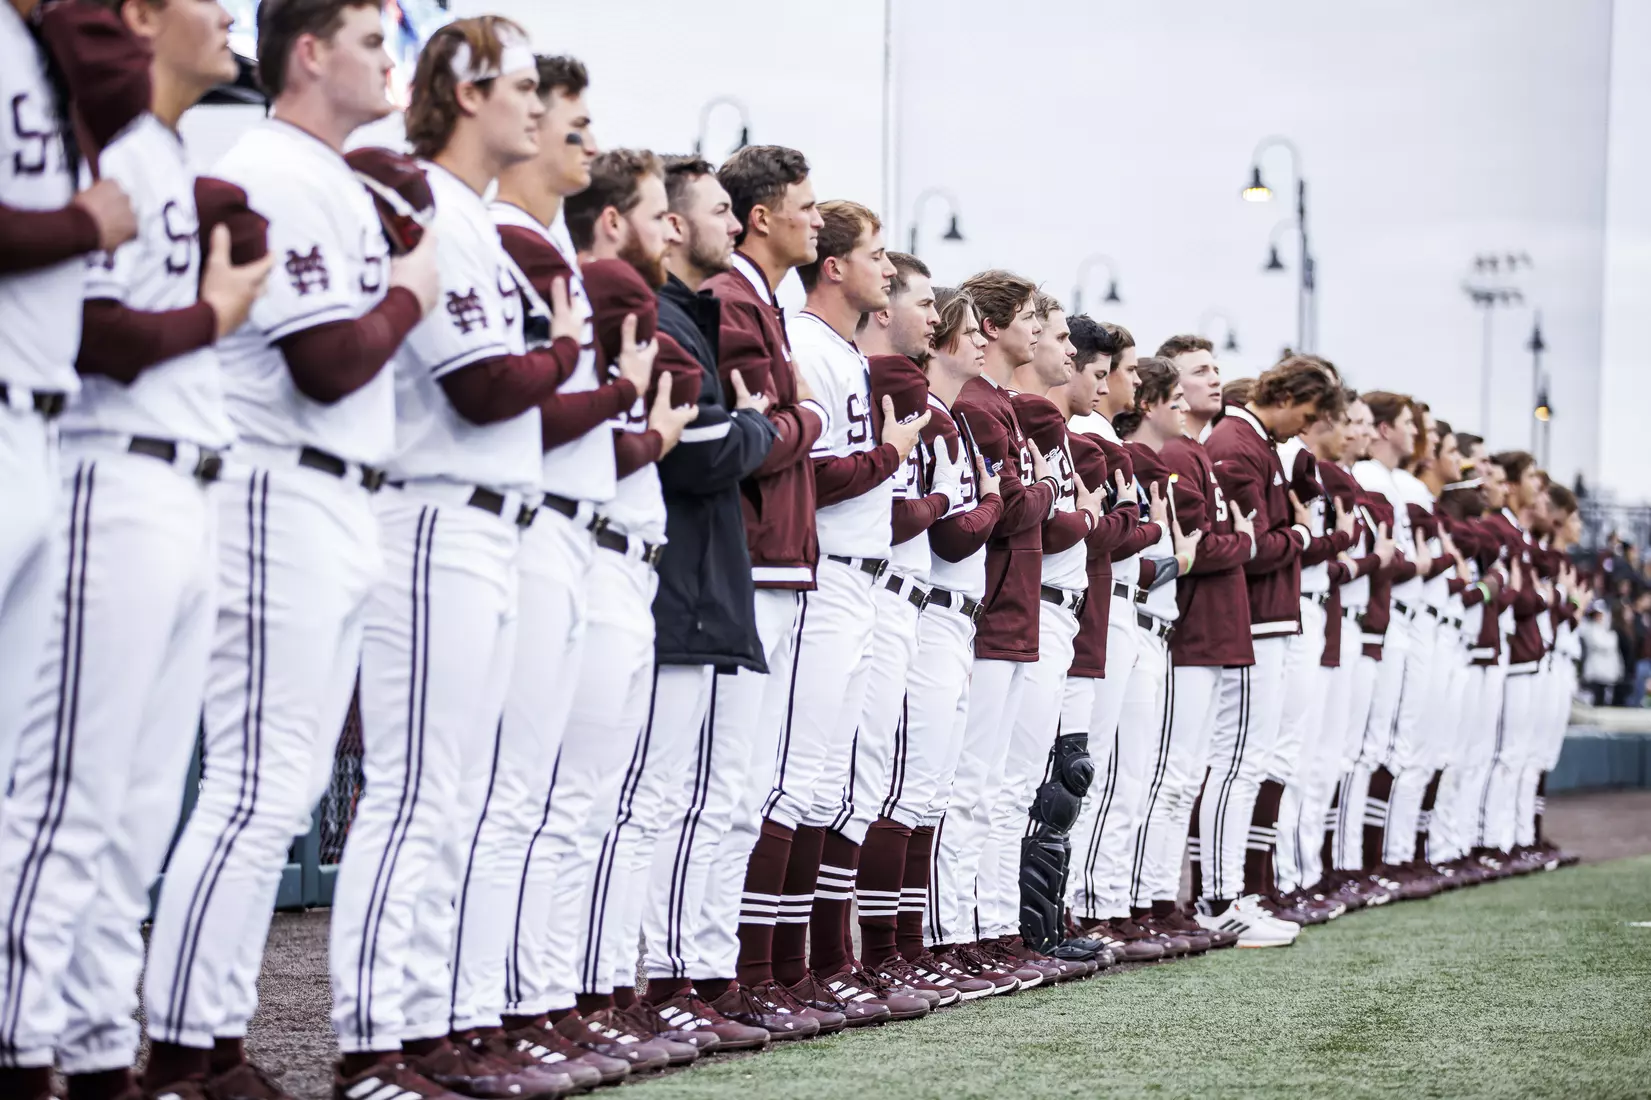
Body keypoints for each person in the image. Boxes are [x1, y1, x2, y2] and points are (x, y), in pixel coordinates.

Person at [142, 3, 442, 1095]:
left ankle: (207, 1039)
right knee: (260, 780)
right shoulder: (276, 167)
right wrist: (413, 288)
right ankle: (189, 1050)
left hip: (336, 494)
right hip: (275, 486)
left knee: (285, 777)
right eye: (372, 41)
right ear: (308, 52)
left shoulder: (336, 178)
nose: (390, 62)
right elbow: (326, 358)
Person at [0, 0, 271, 1094]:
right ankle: (21, 1047)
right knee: (65, 791)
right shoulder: (103, 131)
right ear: (143, 20)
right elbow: (104, 331)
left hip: (170, 478)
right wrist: (211, 313)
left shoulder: (152, 145)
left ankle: (102, 1050)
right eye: (202, 1)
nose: (226, 16)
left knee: (134, 807)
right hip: (100, 461)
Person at [326, 19, 577, 1099]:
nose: (538, 104)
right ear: (467, 91)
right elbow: (485, 386)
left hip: (494, 523)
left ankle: (432, 1029)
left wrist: (551, 355)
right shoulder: (420, 192)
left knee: (460, 792)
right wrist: (564, 347)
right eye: (521, 85)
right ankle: (376, 1043)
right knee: (419, 789)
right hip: (430, 515)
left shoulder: (471, 215)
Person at [484, 55, 659, 1088]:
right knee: (504, 797)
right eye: (575, 125)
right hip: (522, 526)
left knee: (559, 798)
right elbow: (518, 400)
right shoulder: (516, 243)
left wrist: (623, 411)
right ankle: (485, 1016)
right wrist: (615, 396)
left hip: (573, 530)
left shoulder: (544, 246)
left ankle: (533, 1006)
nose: (586, 144)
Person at [633, 153, 778, 1047]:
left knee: (722, 796)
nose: (733, 224)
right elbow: (700, 451)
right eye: (718, 210)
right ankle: (651, 985)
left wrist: (748, 426)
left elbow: (720, 437)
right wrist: (762, 424)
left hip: (715, 580)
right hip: (676, 580)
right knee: (662, 800)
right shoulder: (659, 317)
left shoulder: (695, 315)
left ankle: (700, 976)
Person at [779, 202, 928, 1023]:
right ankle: (774, 971)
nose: (885, 268)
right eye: (873, 254)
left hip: (866, 582)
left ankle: (820, 965)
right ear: (834, 266)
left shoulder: (837, 352)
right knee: (799, 780)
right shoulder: (807, 342)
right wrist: (891, 457)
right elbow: (822, 474)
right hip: (828, 571)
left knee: (841, 782)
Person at [698, 144, 833, 1037]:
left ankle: (732, 977)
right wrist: (806, 418)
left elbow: (769, 424)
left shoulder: (766, 302)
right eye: (806, 206)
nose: (816, 220)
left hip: (782, 561)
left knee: (751, 781)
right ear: (761, 215)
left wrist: (790, 420)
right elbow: (753, 434)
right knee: (723, 783)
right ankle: (700, 981)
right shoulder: (731, 300)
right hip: (748, 560)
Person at [0, 0, 137, 822]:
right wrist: (82, 222)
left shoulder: (39, 49)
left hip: (41, 426)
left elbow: (124, 89)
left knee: (16, 747)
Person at [929, 270, 1056, 983]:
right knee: (969, 784)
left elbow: (1015, 501)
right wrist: (1036, 489)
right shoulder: (978, 405)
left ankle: (987, 925)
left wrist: (1027, 491)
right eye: (1029, 318)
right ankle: (952, 934)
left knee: (998, 787)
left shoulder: (1000, 404)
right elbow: (1007, 509)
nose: (1034, 331)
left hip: (1011, 609)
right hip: (987, 609)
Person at [896, 287, 1004, 998]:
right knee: (906, 788)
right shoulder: (934, 414)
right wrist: (992, 501)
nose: (976, 342)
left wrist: (984, 503)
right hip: (922, 603)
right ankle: (895, 950)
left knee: (930, 789)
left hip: (950, 609)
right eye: (964, 331)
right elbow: (953, 530)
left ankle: (920, 946)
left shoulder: (953, 421)